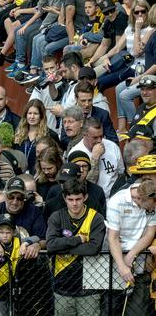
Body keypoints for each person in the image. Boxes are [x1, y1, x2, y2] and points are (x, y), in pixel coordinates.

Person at [46, 178, 105, 316]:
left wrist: (61, 247)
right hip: (62, 285)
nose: (74, 203)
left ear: (85, 197)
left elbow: (93, 249)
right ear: (64, 198)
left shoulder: (96, 218)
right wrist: (78, 239)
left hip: (90, 285)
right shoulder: (57, 216)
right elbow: (50, 245)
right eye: (70, 199)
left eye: (78, 199)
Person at [106, 179, 156, 316]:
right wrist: (122, 266)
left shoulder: (152, 201)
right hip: (114, 267)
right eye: (150, 207)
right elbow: (113, 237)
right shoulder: (117, 201)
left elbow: (150, 233)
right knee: (111, 310)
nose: (153, 209)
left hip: (140, 266)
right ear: (140, 198)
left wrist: (131, 254)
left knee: (137, 312)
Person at [69, 118, 124, 197]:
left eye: (101, 136)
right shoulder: (76, 153)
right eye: (95, 137)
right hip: (90, 199)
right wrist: (95, 157)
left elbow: (121, 173)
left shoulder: (112, 146)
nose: (99, 141)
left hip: (112, 198)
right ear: (84, 135)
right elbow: (81, 185)